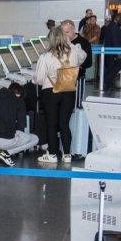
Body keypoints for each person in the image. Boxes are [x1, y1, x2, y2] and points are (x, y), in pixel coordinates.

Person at [33, 27, 87, 164]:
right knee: (64, 123)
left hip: (51, 92)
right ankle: (67, 155)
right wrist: (70, 44)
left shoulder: (46, 57)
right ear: (65, 38)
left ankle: (52, 155)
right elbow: (84, 56)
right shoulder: (74, 52)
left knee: (51, 124)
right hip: (69, 91)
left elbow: (38, 79)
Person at [0, 83, 36, 166]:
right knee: (34, 138)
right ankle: (5, 153)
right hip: (6, 141)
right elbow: (21, 125)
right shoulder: (19, 101)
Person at [62, 19, 92, 93]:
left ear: (74, 29)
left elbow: (89, 62)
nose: (65, 35)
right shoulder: (62, 42)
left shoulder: (84, 42)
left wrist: (76, 66)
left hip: (77, 77)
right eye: (63, 33)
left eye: (67, 32)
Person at [100, 11, 121, 93]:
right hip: (113, 52)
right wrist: (118, 52)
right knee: (119, 64)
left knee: (111, 68)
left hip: (111, 51)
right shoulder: (114, 27)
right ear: (117, 18)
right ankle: (106, 81)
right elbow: (114, 40)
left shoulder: (111, 26)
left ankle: (109, 83)